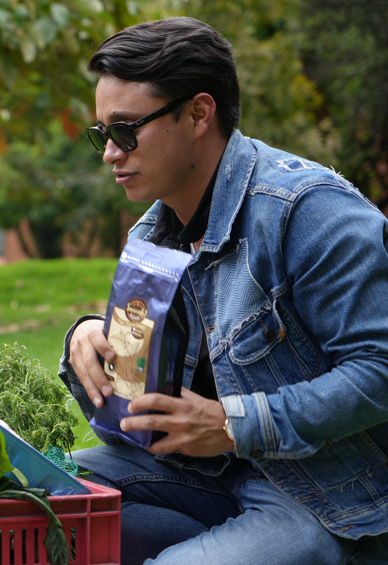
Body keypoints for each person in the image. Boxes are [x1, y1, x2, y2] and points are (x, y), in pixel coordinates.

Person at [59, 17, 388, 565]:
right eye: (102, 134)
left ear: (198, 113)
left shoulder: (308, 212)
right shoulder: (153, 232)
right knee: (32, 497)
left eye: (125, 130)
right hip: (209, 478)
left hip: (333, 501)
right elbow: (133, 410)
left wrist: (234, 425)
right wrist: (90, 341)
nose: (109, 153)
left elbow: (380, 369)